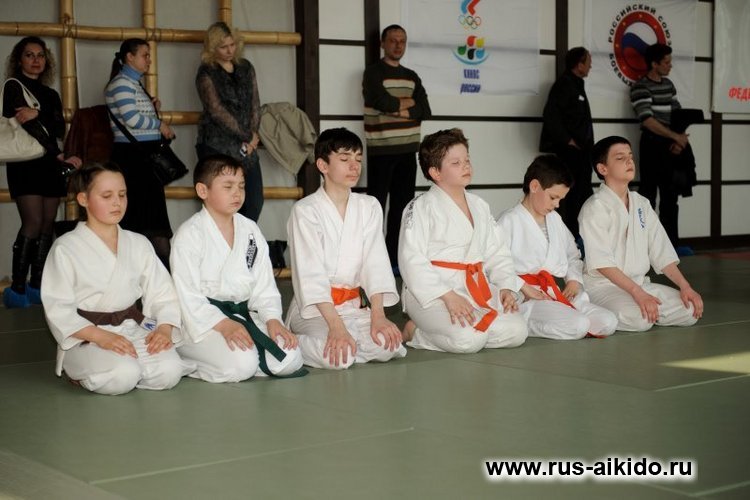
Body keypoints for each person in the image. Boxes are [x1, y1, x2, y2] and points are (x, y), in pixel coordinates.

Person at [41, 162, 192, 395]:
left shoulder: (137, 243)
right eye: (107, 196)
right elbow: (57, 307)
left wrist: (163, 329)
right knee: (123, 375)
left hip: (132, 328)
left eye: (122, 194)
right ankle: (81, 372)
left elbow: (162, 292)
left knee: (169, 372)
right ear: (83, 199)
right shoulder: (65, 248)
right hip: (86, 336)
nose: (117, 202)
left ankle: (127, 367)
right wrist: (100, 337)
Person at [171, 154, 304, 382]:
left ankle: (242, 357)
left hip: (244, 315)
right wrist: (223, 324)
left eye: (241, 186)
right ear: (203, 190)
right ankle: (189, 359)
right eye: (228, 186)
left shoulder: (250, 230)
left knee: (290, 357)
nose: (237, 193)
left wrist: (272, 319)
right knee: (243, 364)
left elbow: (264, 285)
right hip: (203, 323)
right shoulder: (189, 235)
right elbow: (188, 295)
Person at [286, 128, 406, 370]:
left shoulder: (368, 206)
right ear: (323, 165)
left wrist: (378, 316)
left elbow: (375, 263)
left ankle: (351, 340)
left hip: (353, 306)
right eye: (344, 159)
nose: (354, 166)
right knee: (341, 358)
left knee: (389, 346)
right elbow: (310, 274)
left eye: (358, 159)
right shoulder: (306, 211)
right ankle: (291, 342)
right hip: (315, 309)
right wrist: (336, 327)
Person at [399, 129, 527, 353]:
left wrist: (506, 286)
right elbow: (411, 260)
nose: (466, 166)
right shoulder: (420, 207)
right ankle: (416, 331)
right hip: (432, 295)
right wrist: (449, 297)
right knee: (468, 339)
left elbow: (498, 252)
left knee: (517, 331)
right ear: (435, 172)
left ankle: (470, 330)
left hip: (474, 288)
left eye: (467, 160)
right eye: (456, 163)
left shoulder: (479, 205)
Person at [578, 136, 703, 332]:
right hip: (603, 287)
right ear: (603, 169)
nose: (629, 161)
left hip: (639, 283)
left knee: (689, 310)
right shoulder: (595, 208)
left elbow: (661, 251)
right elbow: (602, 262)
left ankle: (648, 310)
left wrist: (685, 286)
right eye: (620, 158)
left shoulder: (641, 203)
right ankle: (592, 308)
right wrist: (637, 293)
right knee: (640, 319)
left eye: (630, 156)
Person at [497, 155, 617, 339]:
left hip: (553, 291)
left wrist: (573, 280)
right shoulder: (509, 220)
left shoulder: (555, 219)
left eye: (560, 199)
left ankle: (561, 317)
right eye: (553, 197)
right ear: (534, 186)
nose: (557, 204)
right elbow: (496, 264)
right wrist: (524, 287)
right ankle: (525, 321)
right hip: (526, 297)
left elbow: (572, 255)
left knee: (607, 322)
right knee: (578, 325)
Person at [2, 36, 82, 308]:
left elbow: (57, 127)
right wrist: (57, 152)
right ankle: (17, 288)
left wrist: (38, 114)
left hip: (49, 164)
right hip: (25, 163)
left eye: (40, 55)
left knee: (48, 223)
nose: (36, 60)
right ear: (19, 60)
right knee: (33, 222)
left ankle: (37, 285)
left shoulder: (51, 94)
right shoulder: (13, 87)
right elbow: (28, 126)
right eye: (29, 55)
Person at [363, 24, 431, 272]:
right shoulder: (373, 73)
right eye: (393, 40)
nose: (398, 45)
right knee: (376, 208)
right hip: (381, 149)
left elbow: (425, 110)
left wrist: (396, 108)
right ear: (383, 43)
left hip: (407, 151)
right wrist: (407, 106)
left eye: (402, 41)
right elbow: (380, 101)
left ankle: (394, 259)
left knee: (402, 209)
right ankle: (372, 262)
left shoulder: (411, 76)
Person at [105, 38, 175, 268]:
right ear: (129, 57)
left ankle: (155, 276)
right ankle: (157, 276)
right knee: (144, 223)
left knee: (150, 222)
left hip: (140, 159)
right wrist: (159, 124)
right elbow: (132, 119)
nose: (149, 60)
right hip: (133, 161)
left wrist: (152, 110)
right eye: (145, 55)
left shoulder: (133, 83)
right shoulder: (121, 84)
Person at [196, 22, 263, 222]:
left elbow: (255, 102)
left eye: (232, 45)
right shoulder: (206, 72)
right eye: (223, 47)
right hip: (217, 145)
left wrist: (253, 136)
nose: (229, 50)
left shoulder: (245, 67)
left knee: (254, 202)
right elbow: (216, 110)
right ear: (212, 48)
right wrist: (247, 136)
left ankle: (244, 239)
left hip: (247, 145)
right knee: (222, 203)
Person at [630, 43, 694, 254]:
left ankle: (671, 246)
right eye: (666, 62)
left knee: (670, 197)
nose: (670, 66)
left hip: (670, 145)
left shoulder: (668, 85)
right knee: (648, 195)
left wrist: (679, 141)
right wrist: (675, 136)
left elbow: (677, 114)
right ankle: (642, 246)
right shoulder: (640, 87)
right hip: (651, 144)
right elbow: (647, 120)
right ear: (654, 64)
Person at [539, 47, 594, 245]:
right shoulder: (564, 84)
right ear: (579, 65)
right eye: (588, 62)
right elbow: (551, 115)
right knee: (570, 196)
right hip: (570, 153)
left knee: (583, 194)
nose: (590, 66)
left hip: (582, 153)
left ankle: (581, 237)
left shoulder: (577, 84)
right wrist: (567, 140)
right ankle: (570, 239)